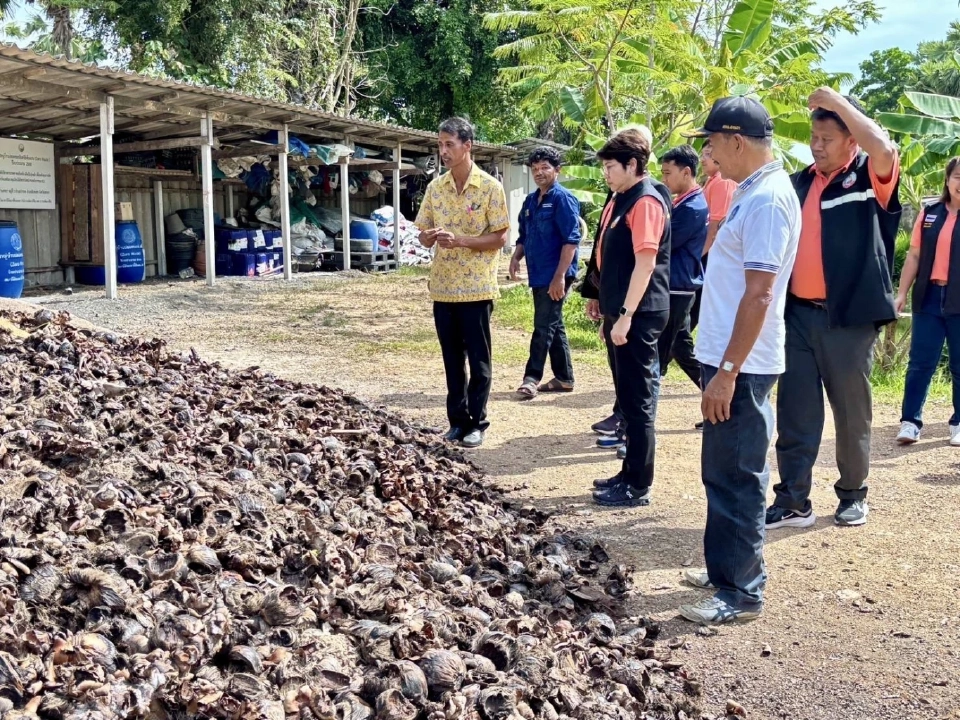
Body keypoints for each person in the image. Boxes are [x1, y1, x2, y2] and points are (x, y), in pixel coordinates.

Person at [677, 96, 801, 625]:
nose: (707, 152)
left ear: (736, 140)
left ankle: (741, 592)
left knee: (739, 474)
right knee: (721, 469)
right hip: (730, 356)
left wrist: (727, 372)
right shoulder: (753, 190)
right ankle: (724, 569)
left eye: (712, 142)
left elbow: (760, 293)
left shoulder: (768, 199)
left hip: (743, 363)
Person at [769, 89, 901, 529]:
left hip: (849, 319)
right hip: (798, 315)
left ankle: (852, 493)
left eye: (827, 138)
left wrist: (840, 103)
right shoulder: (798, 182)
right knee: (795, 411)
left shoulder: (868, 177)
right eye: (814, 137)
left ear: (851, 141)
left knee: (850, 412)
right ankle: (793, 500)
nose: (817, 146)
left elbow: (884, 147)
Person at [580, 128, 672, 507]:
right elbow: (608, 255)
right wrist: (600, 297)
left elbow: (645, 264)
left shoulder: (646, 201)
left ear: (632, 165)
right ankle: (628, 472)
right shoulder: (621, 198)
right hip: (620, 310)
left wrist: (625, 316)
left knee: (638, 400)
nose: (606, 174)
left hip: (640, 313)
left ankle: (638, 483)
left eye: (611, 167)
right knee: (628, 397)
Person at [415, 117, 510, 449]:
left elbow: (500, 237)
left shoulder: (489, 187)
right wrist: (428, 237)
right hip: (443, 288)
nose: (443, 151)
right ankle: (457, 422)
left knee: (479, 363)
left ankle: (477, 423)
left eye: (449, 144)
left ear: (467, 146)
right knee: (452, 361)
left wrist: (462, 241)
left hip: (477, 289)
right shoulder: (435, 188)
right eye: (440, 145)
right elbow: (422, 234)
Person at [895, 157, 960, 446]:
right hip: (929, 298)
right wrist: (901, 293)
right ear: (947, 179)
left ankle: (958, 423)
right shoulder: (930, 213)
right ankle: (910, 422)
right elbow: (914, 256)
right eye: (958, 176)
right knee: (920, 363)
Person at [671, 142, 737, 428]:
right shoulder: (710, 183)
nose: (707, 159)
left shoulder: (721, 184)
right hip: (701, 266)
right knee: (677, 336)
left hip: (702, 266)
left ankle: (717, 395)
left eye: (709, 154)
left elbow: (713, 228)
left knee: (680, 336)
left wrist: (697, 259)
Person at [509, 147, 582, 398]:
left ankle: (531, 378)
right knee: (553, 323)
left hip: (557, 273)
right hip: (538, 273)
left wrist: (560, 277)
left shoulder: (563, 199)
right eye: (535, 169)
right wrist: (516, 258)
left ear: (557, 170)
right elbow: (524, 235)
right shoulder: (530, 201)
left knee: (543, 325)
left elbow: (571, 241)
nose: (539, 173)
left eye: (545, 168)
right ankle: (564, 378)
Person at [657, 144, 709, 389]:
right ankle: (716, 393)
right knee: (680, 347)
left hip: (676, 287)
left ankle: (636, 407)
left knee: (658, 352)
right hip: (679, 284)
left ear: (686, 172)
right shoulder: (685, 203)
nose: (664, 179)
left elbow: (664, 243)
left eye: (668, 173)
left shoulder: (692, 208)